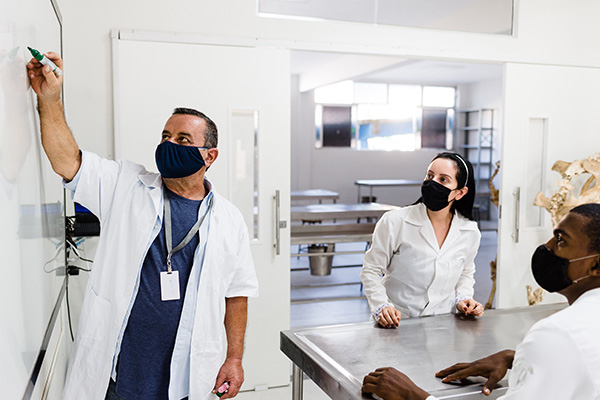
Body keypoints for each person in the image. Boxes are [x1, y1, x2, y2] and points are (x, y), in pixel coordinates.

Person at [27, 52, 259, 400]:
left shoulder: (229, 218)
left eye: (183, 140)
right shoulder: (126, 184)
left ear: (209, 156)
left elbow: (237, 293)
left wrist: (235, 358)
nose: (169, 144)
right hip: (120, 373)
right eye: (166, 136)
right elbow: (66, 159)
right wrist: (50, 100)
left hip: (187, 376)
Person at [362, 203, 600, 399]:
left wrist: (412, 395)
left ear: (596, 265)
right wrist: (515, 358)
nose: (546, 247)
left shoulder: (556, 333)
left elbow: (465, 272)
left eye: (560, 240)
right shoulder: (395, 221)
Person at [361, 152, 484, 328]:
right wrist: (382, 306)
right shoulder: (395, 221)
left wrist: (464, 298)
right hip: (396, 323)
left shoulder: (469, 231)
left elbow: (465, 273)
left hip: (443, 325)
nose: (433, 183)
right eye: (430, 175)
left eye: (443, 180)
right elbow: (371, 270)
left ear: (460, 193)